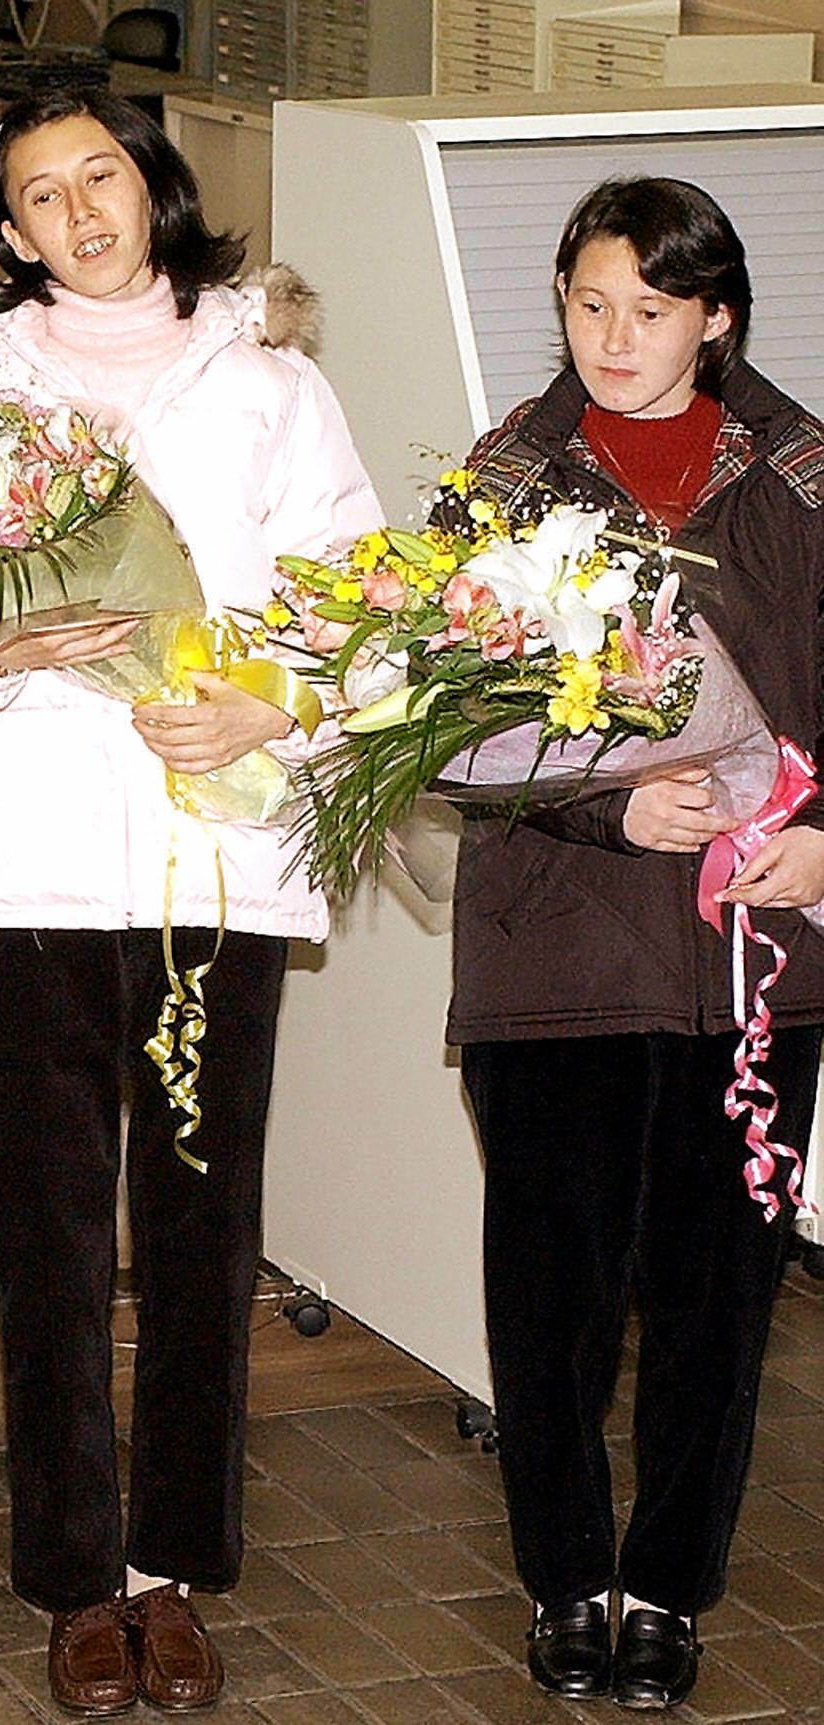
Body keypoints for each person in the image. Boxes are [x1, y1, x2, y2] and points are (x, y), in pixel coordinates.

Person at [0, 88, 380, 1715]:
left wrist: (268, 706)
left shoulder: (273, 386)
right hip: (25, 850)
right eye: (41, 193)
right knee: (46, 1232)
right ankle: (75, 1578)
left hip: (217, 852)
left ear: (153, 189)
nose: (80, 210)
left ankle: (174, 1572)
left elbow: (356, 611)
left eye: (102, 174)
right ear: (9, 233)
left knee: (196, 1226)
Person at [444, 177, 824, 1713]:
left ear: (716, 317)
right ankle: (564, 1577)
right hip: (557, 952)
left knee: (719, 1292)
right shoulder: (503, 478)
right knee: (552, 1294)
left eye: (652, 312)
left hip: (760, 949)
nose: (615, 338)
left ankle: (668, 1585)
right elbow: (443, 722)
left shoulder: (804, 482)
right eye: (589, 304)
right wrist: (613, 812)